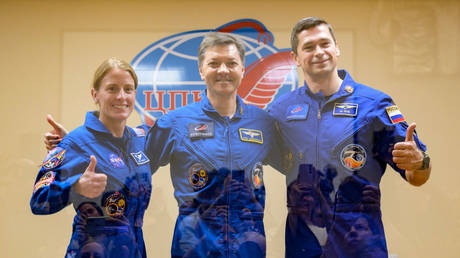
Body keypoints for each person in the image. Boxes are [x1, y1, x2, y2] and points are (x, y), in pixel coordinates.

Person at [269, 17, 432, 257]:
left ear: (337, 48)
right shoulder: (280, 111)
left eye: (325, 44)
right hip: (303, 241)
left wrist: (421, 162)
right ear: (295, 58)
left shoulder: (374, 105)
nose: (319, 52)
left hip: (359, 240)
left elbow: (417, 177)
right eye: (309, 47)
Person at [145, 32, 283, 257]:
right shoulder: (175, 123)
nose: (223, 70)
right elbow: (134, 163)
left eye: (231, 63)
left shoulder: (263, 123)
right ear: (201, 70)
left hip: (248, 247)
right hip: (195, 247)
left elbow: (297, 163)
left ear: (242, 69)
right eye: (214, 63)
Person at [31, 57, 152, 258]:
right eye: (112, 89)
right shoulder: (74, 143)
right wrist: (75, 186)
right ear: (95, 94)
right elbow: (38, 202)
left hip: (134, 249)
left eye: (128, 89)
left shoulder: (140, 139)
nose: (122, 96)